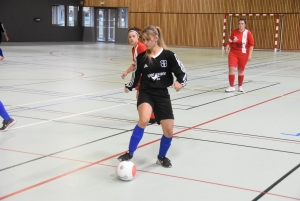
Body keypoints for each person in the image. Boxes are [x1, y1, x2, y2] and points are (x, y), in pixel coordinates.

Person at [118, 25, 187, 168]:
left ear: (156, 38)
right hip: (146, 93)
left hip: (162, 94)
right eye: (144, 39)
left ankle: (161, 157)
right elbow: (136, 76)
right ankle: (130, 153)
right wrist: (129, 86)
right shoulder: (142, 58)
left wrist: (180, 83)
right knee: (144, 119)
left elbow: (182, 73)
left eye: (148, 39)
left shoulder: (169, 55)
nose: (146, 42)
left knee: (168, 131)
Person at [121, 27, 156, 124]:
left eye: (133, 36)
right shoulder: (134, 49)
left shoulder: (141, 47)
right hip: (141, 75)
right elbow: (135, 64)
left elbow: (148, 61)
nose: (131, 38)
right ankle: (150, 117)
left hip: (146, 76)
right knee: (140, 97)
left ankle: (150, 117)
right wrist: (126, 72)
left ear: (138, 37)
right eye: (129, 37)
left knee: (142, 97)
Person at [225, 18, 254, 92]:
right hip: (233, 53)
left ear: (245, 25)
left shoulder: (248, 33)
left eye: (242, 24)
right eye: (239, 24)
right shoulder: (234, 32)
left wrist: (250, 55)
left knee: (241, 71)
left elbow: (251, 45)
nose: (240, 25)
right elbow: (229, 41)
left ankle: (240, 86)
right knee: (231, 68)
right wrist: (227, 47)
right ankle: (231, 86)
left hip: (243, 54)